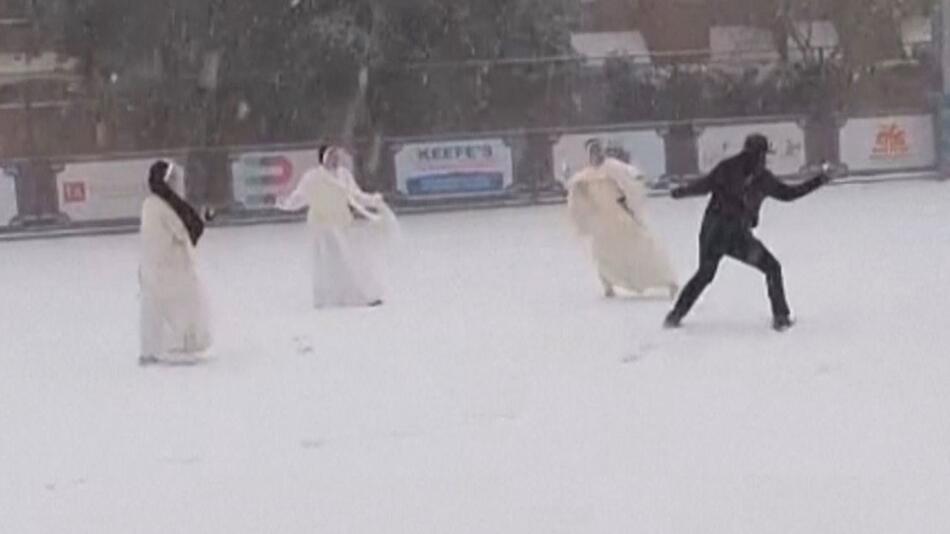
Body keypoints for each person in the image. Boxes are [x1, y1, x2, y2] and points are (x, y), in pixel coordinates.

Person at [664, 134, 832, 331]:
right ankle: (781, 317)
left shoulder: (727, 167)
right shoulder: (763, 178)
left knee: (704, 274)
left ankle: (675, 315)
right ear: (761, 154)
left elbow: (704, 186)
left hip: (712, 231)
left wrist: (680, 192)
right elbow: (789, 194)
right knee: (772, 268)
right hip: (736, 235)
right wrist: (821, 180)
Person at [277, 145, 396, 308]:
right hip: (323, 229)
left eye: (337, 155)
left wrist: (373, 200)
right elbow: (299, 198)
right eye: (332, 155)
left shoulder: (344, 176)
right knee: (327, 265)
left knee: (353, 262)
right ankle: (327, 298)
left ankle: (361, 295)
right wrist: (284, 203)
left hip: (343, 226)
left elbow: (355, 195)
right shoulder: (313, 177)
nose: (336, 159)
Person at [567, 139, 678, 298]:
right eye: (593, 152)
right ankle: (608, 284)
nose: (596, 155)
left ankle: (668, 281)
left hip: (621, 217)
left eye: (598, 151)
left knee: (641, 250)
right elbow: (580, 196)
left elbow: (631, 182)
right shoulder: (585, 176)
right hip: (603, 222)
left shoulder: (614, 168)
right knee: (603, 254)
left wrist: (631, 208)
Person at [139, 160, 212, 365]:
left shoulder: (150, 204)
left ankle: (154, 348)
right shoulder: (162, 207)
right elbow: (183, 231)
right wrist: (200, 220)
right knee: (186, 305)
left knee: (156, 311)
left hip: (155, 267)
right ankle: (184, 344)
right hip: (169, 268)